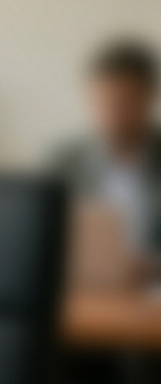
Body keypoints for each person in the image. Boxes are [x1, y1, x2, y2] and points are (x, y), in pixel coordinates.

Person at [51, 39, 161, 280]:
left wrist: (151, 265)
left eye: (124, 102)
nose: (112, 114)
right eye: (104, 102)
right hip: (85, 291)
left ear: (148, 98)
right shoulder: (65, 161)